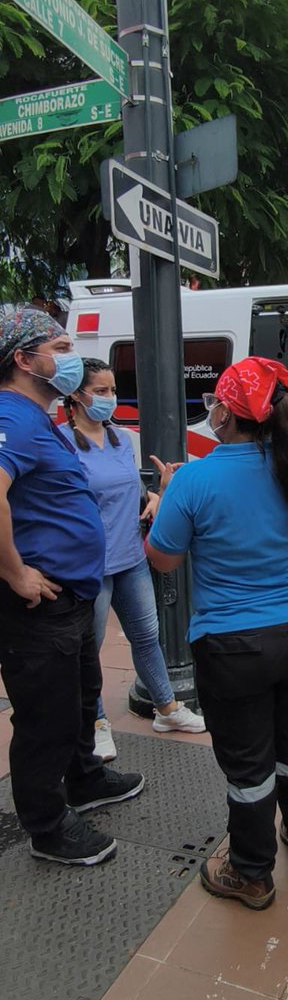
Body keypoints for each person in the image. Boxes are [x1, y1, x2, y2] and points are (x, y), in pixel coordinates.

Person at [146, 356, 288, 911]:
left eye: (213, 404)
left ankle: (250, 873)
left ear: (225, 412)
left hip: (232, 644)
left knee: (249, 762)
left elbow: (161, 559)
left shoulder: (195, 478)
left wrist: (162, 501)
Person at [0, 307, 144, 867]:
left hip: (72, 597)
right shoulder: (11, 415)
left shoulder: (37, 416)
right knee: (46, 716)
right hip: (39, 603)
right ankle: (47, 824)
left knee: (81, 694)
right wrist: (15, 572)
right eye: (58, 347)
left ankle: (84, 777)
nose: (69, 357)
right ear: (23, 358)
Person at [61, 359, 206, 760]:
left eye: (112, 390)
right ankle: (95, 722)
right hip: (89, 565)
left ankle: (167, 709)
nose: (110, 399)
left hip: (129, 557)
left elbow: (129, 491)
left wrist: (156, 495)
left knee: (147, 636)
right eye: (102, 391)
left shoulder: (122, 439)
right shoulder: (60, 443)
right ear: (76, 394)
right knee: (88, 650)